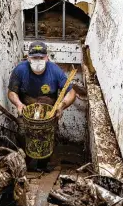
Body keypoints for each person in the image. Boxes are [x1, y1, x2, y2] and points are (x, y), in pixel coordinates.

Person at [8, 41, 76, 171]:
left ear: (47, 57)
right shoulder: (20, 70)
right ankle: (25, 163)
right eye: (34, 58)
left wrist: (61, 106)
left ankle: (42, 166)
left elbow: (71, 92)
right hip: (27, 112)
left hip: (49, 114)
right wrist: (18, 104)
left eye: (41, 58)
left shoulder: (55, 71)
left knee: (47, 138)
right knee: (22, 134)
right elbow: (11, 92)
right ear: (28, 58)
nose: (38, 61)